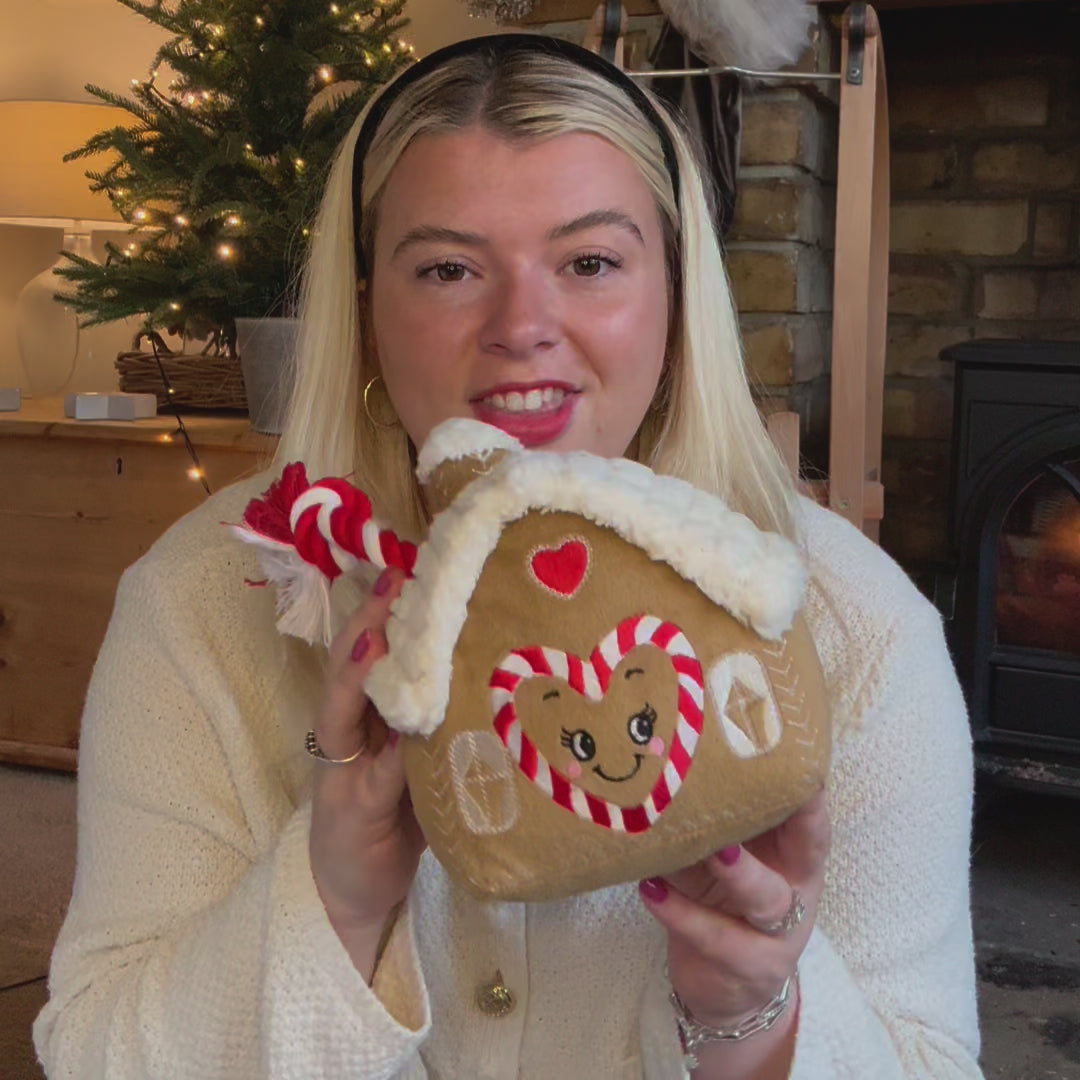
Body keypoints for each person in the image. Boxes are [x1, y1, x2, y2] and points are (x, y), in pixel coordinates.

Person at [34, 33, 984, 1079]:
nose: (523, 327)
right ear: (367, 310)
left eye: (590, 263)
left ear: (676, 299)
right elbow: (95, 1053)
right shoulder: (205, 601)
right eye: (448, 270)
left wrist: (753, 1019)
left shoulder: (854, 629)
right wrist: (332, 904)